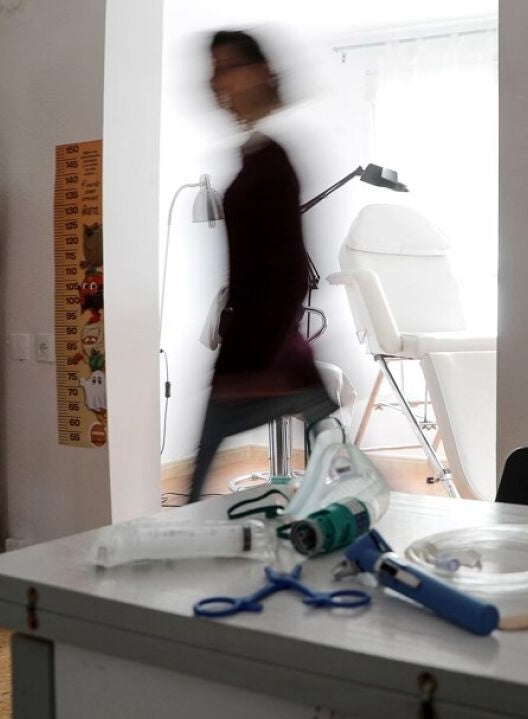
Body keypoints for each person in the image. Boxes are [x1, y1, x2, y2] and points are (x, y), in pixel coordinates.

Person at [188, 29, 338, 503]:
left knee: (337, 480)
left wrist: (258, 361)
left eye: (227, 66)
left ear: (260, 71)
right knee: (334, 476)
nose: (218, 80)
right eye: (214, 70)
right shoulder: (255, 154)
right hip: (259, 352)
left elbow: (289, 273)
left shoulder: (272, 161)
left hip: (263, 357)